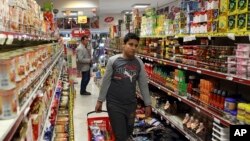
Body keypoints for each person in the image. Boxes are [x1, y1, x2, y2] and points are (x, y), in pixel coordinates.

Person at [95, 33, 152, 141]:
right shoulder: (113, 61)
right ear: (123, 45)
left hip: (131, 105)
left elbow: (143, 84)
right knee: (120, 135)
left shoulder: (139, 63)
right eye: (130, 44)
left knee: (128, 133)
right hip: (115, 104)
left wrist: (147, 103)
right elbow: (106, 82)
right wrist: (100, 100)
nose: (134, 48)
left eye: (136, 45)